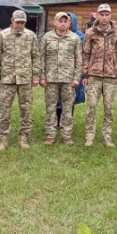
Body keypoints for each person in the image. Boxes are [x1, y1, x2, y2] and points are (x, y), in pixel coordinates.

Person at [0, 10, 43, 150]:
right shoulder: (3, 35)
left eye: (22, 22)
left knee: (26, 109)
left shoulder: (31, 36)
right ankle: (3, 138)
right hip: (7, 79)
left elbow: (36, 57)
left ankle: (23, 137)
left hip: (25, 79)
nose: (20, 25)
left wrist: (36, 76)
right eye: (17, 22)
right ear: (11, 21)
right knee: (4, 109)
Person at [82, 4, 117, 147]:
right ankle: (89, 136)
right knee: (91, 106)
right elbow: (86, 54)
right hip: (93, 75)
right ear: (97, 16)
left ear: (110, 16)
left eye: (107, 14)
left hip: (110, 76)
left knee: (108, 108)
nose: (104, 17)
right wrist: (85, 74)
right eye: (102, 14)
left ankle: (107, 136)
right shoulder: (90, 33)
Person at [41, 12, 82, 146]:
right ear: (55, 22)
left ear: (69, 23)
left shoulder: (74, 38)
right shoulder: (47, 38)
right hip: (51, 78)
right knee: (50, 108)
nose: (63, 23)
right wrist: (42, 76)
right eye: (60, 21)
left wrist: (76, 78)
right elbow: (41, 58)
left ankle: (66, 135)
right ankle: (50, 135)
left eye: (66, 21)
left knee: (67, 108)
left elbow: (79, 59)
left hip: (68, 79)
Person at [56, 12, 86, 127]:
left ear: (72, 22)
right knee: (57, 97)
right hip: (58, 72)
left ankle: (67, 122)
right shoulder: (55, 35)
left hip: (73, 72)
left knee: (70, 97)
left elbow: (81, 54)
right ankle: (57, 121)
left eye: (68, 20)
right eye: (63, 20)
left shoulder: (79, 36)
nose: (65, 23)